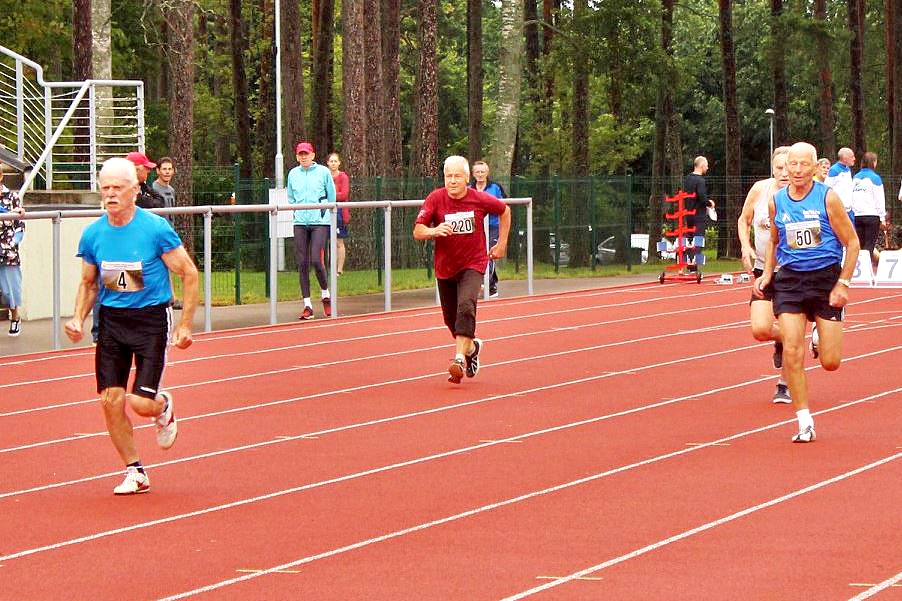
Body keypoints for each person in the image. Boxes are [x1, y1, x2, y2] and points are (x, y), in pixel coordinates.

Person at [64, 157, 199, 494]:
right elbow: (89, 283)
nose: (110, 194)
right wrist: (78, 318)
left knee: (140, 403)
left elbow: (189, 273)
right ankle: (135, 470)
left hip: (151, 318)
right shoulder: (93, 233)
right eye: (105, 188)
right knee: (110, 400)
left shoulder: (154, 228)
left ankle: (162, 406)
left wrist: (185, 325)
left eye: (117, 188)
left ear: (135, 191)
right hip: (111, 322)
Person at [753, 142, 860, 443]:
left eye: (803, 164)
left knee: (830, 361)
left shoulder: (828, 198)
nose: (797, 170)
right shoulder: (776, 201)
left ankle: (821, 333)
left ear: (814, 167)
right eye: (792, 165)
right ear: (785, 169)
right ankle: (804, 420)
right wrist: (768, 274)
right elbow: (775, 239)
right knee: (792, 349)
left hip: (825, 279)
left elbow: (852, 243)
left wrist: (843, 283)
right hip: (790, 281)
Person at [413, 156, 510, 384]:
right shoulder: (435, 198)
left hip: (473, 263)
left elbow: (504, 211)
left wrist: (502, 243)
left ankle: (458, 359)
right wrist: (434, 231)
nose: (453, 181)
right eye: (449, 176)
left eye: (457, 176)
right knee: (451, 319)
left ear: (467, 179)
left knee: (466, 306)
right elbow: (418, 230)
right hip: (446, 267)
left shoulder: (478, 199)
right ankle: (471, 348)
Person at [737, 146, 791, 403]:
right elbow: (743, 220)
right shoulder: (760, 190)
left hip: (792, 272)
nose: (783, 173)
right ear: (772, 169)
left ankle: (784, 384)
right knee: (760, 329)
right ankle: (785, 337)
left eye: (787, 168)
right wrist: (745, 246)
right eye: (778, 168)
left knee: (792, 327)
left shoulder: (803, 196)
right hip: (762, 270)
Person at [287, 141, 336, 319]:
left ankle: (325, 295)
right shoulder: (293, 174)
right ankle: (307, 305)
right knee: (302, 263)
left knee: (316, 260)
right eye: (300, 154)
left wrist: (325, 211)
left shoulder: (323, 172)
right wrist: (298, 210)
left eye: (306, 154)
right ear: (297, 157)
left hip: (319, 222)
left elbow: (332, 195)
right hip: (300, 222)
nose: (304, 157)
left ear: (313, 155)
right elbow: (291, 197)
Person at [471, 160, 507, 297]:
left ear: (487, 173)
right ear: (473, 174)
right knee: (477, 255)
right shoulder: (469, 188)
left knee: (489, 254)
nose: (480, 175)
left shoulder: (495, 187)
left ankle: (485, 283)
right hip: (476, 226)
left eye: (482, 172)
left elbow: (504, 206)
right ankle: (491, 286)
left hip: (493, 225)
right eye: (477, 172)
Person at [0, 164, 25, 337]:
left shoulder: (12, 197)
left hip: (7, 249)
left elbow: (20, 225)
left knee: (10, 291)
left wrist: (14, 242)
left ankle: (15, 316)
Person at [850, 152, 886, 270]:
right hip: (872, 216)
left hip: (857, 215)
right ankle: (866, 270)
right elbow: (880, 199)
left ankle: (858, 270)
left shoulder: (855, 177)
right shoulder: (875, 178)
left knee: (859, 244)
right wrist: (882, 217)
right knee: (869, 244)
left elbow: (852, 197)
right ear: (873, 163)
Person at [682, 156, 716, 270]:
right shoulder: (700, 180)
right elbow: (702, 197)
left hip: (688, 212)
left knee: (689, 238)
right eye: (706, 165)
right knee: (698, 238)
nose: (707, 167)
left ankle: (687, 262)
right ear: (701, 166)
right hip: (698, 214)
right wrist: (709, 203)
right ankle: (694, 265)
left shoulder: (687, 178)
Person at [327, 152, 350, 275]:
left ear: (339, 163)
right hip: (327, 211)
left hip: (340, 212)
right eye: (331, 161)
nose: (333, 163)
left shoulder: (343, 177)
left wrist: (330, 196)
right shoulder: (326, 176)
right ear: (328, 163)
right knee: (330, 241)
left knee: (339, 241)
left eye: (335, 161)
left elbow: (344, 194)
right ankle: (331, 267)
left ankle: (339, 269)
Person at [823, 147, 856, 218]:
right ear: (845, 158)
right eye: (852, 156)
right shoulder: (834, 170)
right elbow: (826, 188)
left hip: (849, 210)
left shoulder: (848, 169)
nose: (854, 159)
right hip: (838, 210)